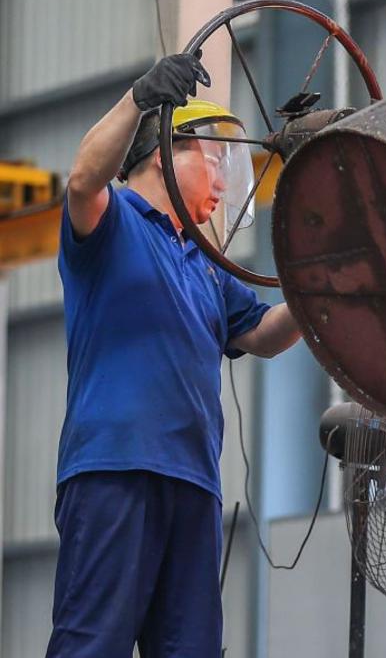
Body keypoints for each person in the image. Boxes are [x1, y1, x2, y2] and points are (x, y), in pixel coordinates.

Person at [48, 52, 302, 657]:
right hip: (116, 468)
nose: (222, 184)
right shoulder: (113, 225)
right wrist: (139, 99)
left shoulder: (207, 267)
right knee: (92, 645)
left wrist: (326, 283)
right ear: (165, 151)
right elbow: (83, 180)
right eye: (214, 163)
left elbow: (266, 334)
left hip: (193, 482)